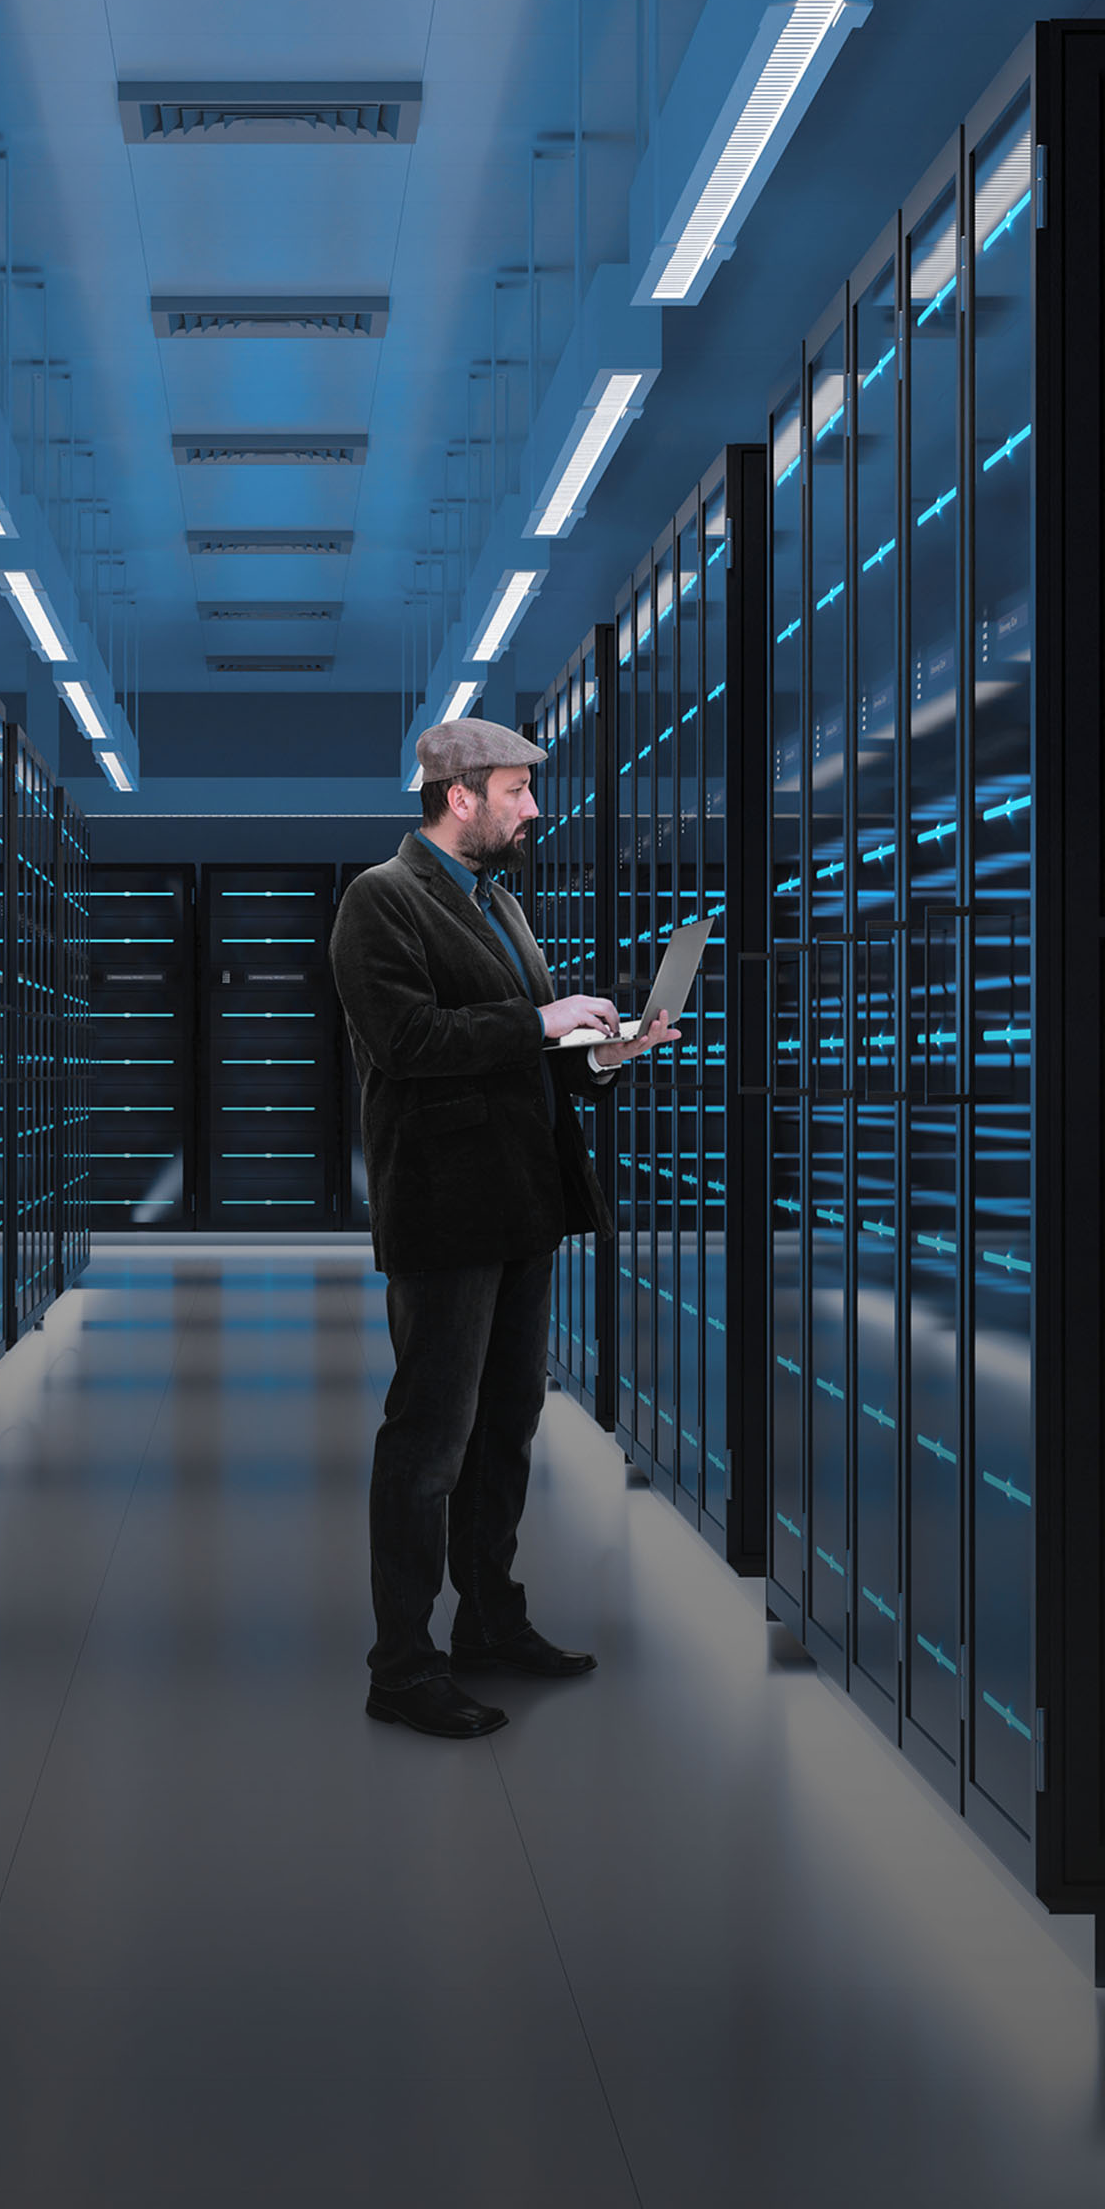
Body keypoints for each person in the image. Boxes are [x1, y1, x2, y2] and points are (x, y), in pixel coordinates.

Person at [329, 715, 681, 1739]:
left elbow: (535, 1061)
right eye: (520, 791)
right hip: (446, 1209)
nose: (535, 808)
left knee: (506, 1427)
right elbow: (407, 1041)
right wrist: (542, 1018)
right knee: (430, 1438)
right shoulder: (380, 901)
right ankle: (401, 1665)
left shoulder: (500, 905)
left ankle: (490, 1620)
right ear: (461, 794)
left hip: (527, 1202)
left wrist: (610, 1052)